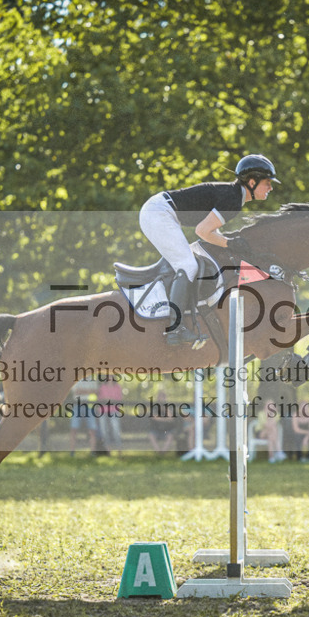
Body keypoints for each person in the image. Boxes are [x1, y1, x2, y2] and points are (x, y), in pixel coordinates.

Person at [139, 154, 279, 344]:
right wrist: (230, 243)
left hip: (160, 210)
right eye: (267, 182)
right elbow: (202, 231)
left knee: (191, 263)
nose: (271, 187)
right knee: (188, 266)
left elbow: (210, 231)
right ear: (252, 182)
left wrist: (229, 242)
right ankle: (174, 329)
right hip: (158, 213)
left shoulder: (233, 195)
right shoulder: (233, 199)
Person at [68, 377, 100, 455]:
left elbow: (96, 391)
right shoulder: (76, 378)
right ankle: (72, 452)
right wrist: (89, 391)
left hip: (89, 406)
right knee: (73, 429)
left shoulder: (93, 380)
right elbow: (76, 391)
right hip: (77, 405)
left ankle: (93, 452)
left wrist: (83, 391)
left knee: (92, 430)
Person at [96, 376, 124, 453]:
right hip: (103, 411)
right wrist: (108, 399)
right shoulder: (102, 387)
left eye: (111, 376)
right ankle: (108, 449)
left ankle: (119, 448)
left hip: (114, 411)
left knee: (116, 429)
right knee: (104, 430)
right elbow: (100, 399)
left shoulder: (117, 387)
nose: (110, 378)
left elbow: (119, 399)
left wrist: (109, 399)